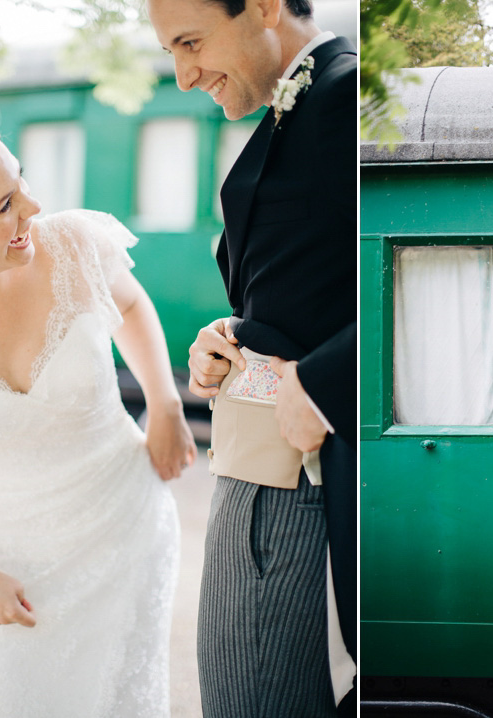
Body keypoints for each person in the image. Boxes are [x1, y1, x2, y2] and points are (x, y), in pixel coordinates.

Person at [0, 109, 196, 717]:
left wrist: (164, 404)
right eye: (2, 205)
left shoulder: (73, 244)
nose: (32, 204)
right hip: (4, 563)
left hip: (126, 525)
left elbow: (130, 306)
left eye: (19, 180)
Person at [146, 0, 357, 714]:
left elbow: (394, 289)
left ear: (265, 7)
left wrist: (324, 382)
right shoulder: (297, 104)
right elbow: (310, 284)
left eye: (191, 41)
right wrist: (232, 332)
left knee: (256, 696)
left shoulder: (346, 95)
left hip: (299, 472)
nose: (181, 75)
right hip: (253, 458)